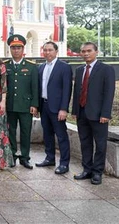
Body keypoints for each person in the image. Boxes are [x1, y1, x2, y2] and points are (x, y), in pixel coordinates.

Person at [72, 42, 115, 185]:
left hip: (99, 115)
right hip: (82, 112)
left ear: (96, 52)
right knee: (85, 142)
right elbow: (77, 91)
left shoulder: (106, 69)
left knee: (100, 144)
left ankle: (97, 172)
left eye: (89, 51)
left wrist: (106, 114)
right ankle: (87, 169)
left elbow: (109, 93)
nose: (85, 54)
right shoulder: (79, 70)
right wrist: (75, 111)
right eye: (83, 51)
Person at [35, 41, 72, 175]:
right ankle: (50, 158)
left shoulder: (64, 67)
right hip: (44, 106)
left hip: (57, 108)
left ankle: (64, 163)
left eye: (50, 50)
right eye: (45, 50)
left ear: (56, 51)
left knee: (61, 136)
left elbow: (67, 89)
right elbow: (38, 88)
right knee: (47, 134)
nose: (47, 52)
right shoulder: (40, 67)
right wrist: (37, 107)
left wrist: (64, 108)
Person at [5, 34, 38, 169]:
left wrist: (34, 104)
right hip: (10, 105)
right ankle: (12, 155)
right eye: (13, 48)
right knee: (10, 131)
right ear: (10, 50)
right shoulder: (5, 65)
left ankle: (25, 157)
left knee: (25, 131)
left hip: (25, 105)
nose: (16, 50)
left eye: (19, 47)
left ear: (23, 49)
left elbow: (35, 87)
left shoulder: (31, 66)